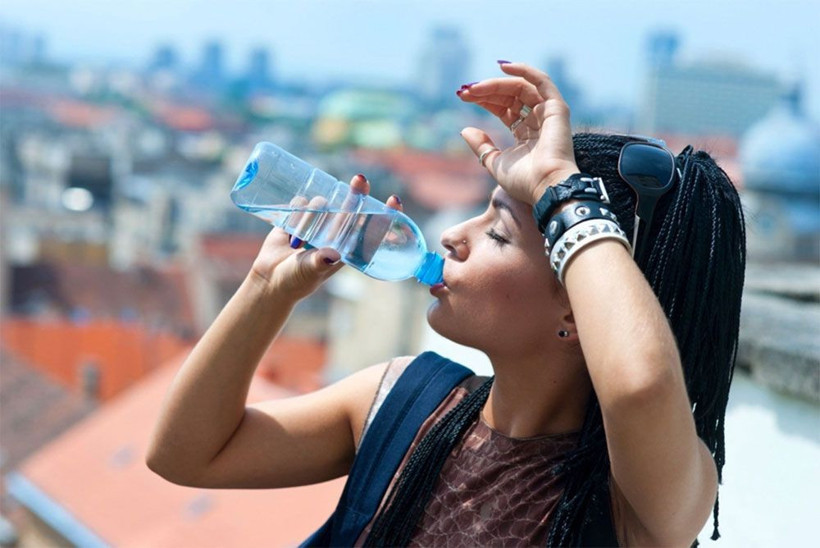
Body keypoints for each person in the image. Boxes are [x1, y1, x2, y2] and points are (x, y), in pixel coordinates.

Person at [146, 61, 745, 546]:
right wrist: (264, 289)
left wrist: (559, 191)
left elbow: (640, 386)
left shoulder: (634, 503)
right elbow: (185, 454)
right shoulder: (405, 401)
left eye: (498, 232)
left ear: (577, 307)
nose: (455, 234)